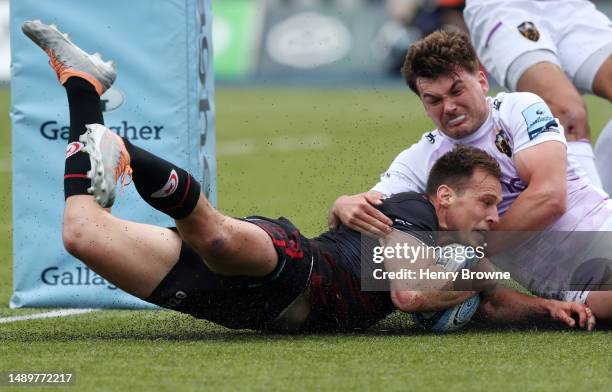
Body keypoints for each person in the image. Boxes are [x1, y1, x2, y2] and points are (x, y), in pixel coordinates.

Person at [21, 20, 593, 332]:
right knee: (215, 235)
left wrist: (542, 309)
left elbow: (489, 298)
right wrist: (349, 207)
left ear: (480, 78)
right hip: (299, 270)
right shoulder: (415, 216)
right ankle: (121, 150)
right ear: (443, 199)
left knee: (82, 235)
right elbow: (413, 293)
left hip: (243, 312)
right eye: (489, 204)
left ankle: (82, 90)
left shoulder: (455, 227)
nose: (497, 217)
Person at [329, 29, 612, 325]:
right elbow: (374, 210)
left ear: (481, 80)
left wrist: (473, 253)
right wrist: (342, 204)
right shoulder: (419, 161)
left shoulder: (519, 109)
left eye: (456, 90)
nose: (449, 107)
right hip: (576, 288)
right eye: (433, 99)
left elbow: (550, 197)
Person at [463, 0, 612, 191]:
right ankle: (593, 216)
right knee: (566, 112)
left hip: (569, 7)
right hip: (504, 7)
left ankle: (600, 201)